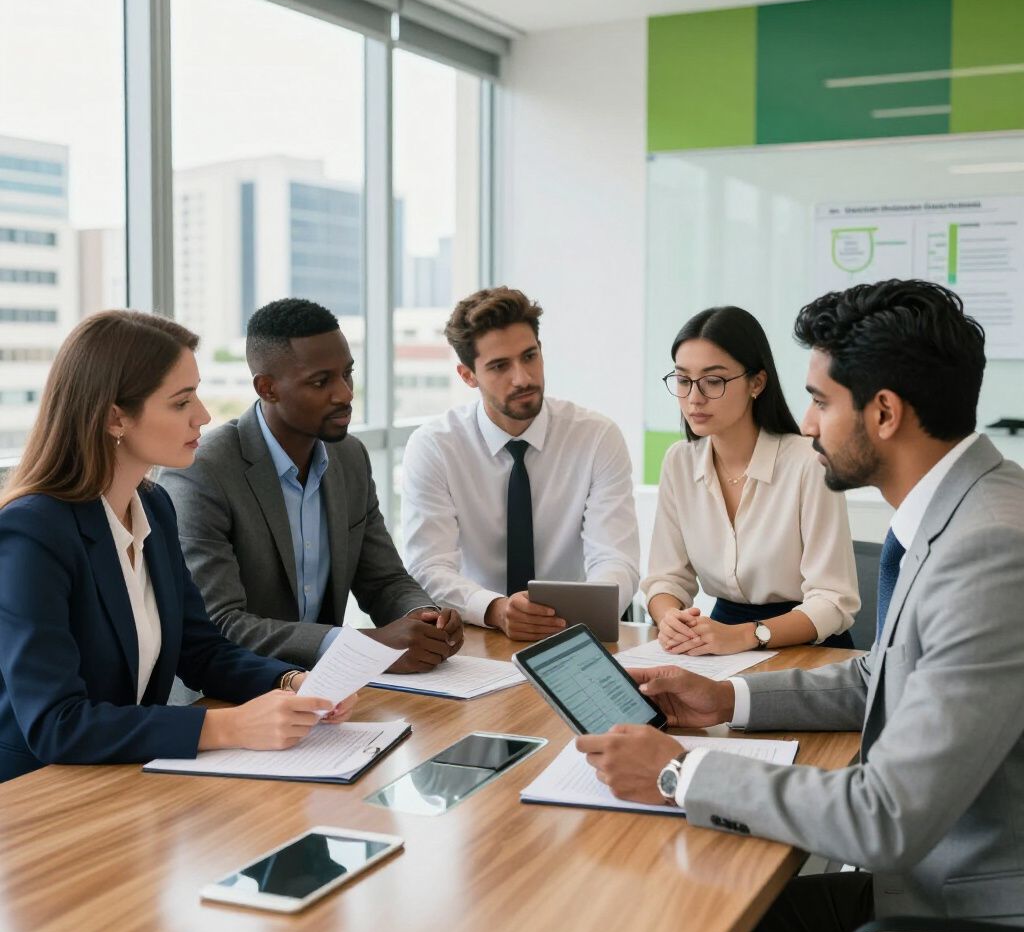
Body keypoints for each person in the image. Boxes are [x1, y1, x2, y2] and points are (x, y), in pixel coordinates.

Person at [579, 279, 1024, 932]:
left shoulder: (990, 548)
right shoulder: (969, 509)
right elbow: (883, 671)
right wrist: (726, 696)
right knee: (684, 909)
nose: (808, 422)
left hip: (964, 915)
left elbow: (885, 818)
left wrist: (679, 774)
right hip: (925, 879)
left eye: (820, 401)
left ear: (884, 413)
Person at [0, 311, 354, 784]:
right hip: (42, 797)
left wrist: (289, 682)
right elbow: (57, 724)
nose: (203, 415)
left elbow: (198, 647)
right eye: (181, 401)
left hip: (125, 780)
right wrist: (229, 726)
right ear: (114, 417)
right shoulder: (33, 532)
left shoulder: (153, 505)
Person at [161, 298, 462, 672]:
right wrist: (364, 646)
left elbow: (384, 580)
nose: (345, 394)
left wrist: (425, 618)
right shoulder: (203, 472)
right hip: (228, 697)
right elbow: (220, 624)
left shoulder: (349, 457)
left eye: (347, 374)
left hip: (327, 693)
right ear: (267, 388)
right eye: (321, 382)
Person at [401, 286, 640, 642]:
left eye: (530, 357)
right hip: (476, 632)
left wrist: (583, 610)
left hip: (573, 632)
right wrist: (495, 609)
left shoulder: (596, 437)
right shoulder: (435, 447)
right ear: (468, 375)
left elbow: (616, 559)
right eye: (500, 366)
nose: (523, 378)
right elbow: (429, 566)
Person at [644, 306, 858, 655]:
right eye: (683, 380)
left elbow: (833, 601)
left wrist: (747, 635)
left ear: (756, 382)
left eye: (713, 381)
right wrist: (670, 618)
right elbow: (666, 579)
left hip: (808, 648)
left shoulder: (810, 462)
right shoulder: (679, 462)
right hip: (718, 646)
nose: (694, 398)